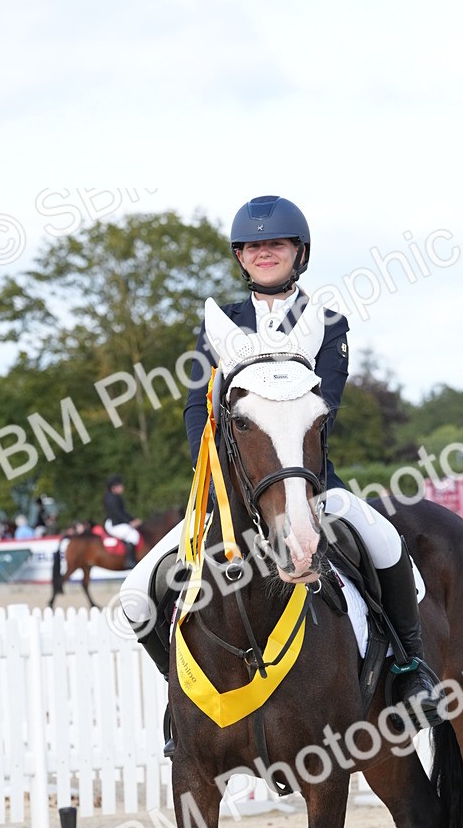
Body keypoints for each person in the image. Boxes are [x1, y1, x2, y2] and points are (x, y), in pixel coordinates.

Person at [121, 194, 441, 730]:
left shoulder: (328, 322)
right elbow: (195, 405)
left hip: (309, 481)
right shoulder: (220, 324)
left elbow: (324, 409)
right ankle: (182, 702)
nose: (264, 252)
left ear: (300, 252)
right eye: (252, 245)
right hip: (229, 491)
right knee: (135, 596)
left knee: (385, 543)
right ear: (239, 257)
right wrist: (218, 477)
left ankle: (411, 668)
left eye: (276, 243)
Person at [103, 475, 142, 567]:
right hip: (114, 524)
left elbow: (123, 512)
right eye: (120, 486)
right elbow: (117, 513)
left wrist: (133, 519)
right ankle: (129, 561)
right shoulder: (111, 499)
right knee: (133, 535)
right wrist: (130, 522)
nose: (122, 487)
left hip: (116, 522)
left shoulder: (114, 497)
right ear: (114, 488)